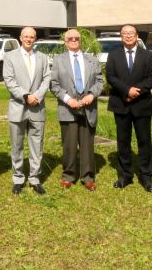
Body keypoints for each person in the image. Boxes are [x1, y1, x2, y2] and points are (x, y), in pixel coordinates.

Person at [50, 29, 104, 190]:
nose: (73, 40)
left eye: (76, 38)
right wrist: (68, 99)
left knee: (87, 143)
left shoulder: (92, 60)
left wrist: (92, 95)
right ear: (66, 42)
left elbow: (99, 82)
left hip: (88, 106)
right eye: (70, 38)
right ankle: (68, 175)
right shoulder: (58, 60)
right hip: (68, 107)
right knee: (69, 143)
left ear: (80, 41)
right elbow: (54, 84)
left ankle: (88, 177)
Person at [105, 24, 152, 192]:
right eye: (124, 33)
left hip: (141, 104)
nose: (128, 36)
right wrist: (126, 90)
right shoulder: (113, 55)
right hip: (121, 103)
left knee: (144, 142)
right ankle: (125, 175)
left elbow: (151, 78)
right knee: (123, 141)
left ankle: (146, 176)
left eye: (131, 33)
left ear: (137, 35)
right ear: (121, 36)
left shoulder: (148, 55)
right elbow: (111, 76)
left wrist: (136, 92)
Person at [3, 27, 51, 196]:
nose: (29, 39)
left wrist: (36, 96)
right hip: (18, 106)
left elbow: (47, 79)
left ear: (35, 39)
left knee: (36, 145)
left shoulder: (43, 58)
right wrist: (25, 96)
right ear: (20, 38)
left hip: (37, 107)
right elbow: (9, 81)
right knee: (17, 145)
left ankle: (34, 179)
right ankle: (18, 178)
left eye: (32, 37)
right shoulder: (10, 57)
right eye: (26, 37)